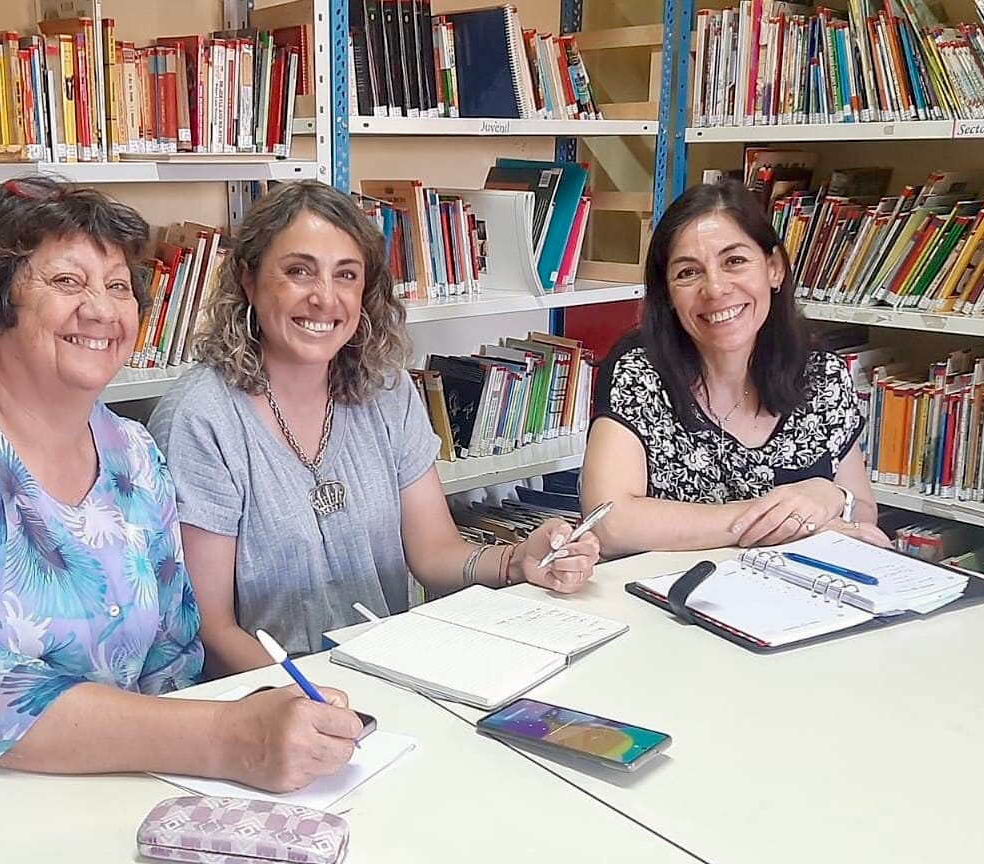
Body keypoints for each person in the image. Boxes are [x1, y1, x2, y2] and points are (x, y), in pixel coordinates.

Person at [0, 177, 361, 793]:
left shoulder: (135, 455)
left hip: (106, 787)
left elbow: (173, 655)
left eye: (118, 287)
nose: (101, 310)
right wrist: (228, 738)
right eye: (67, 282)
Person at [149, 181, 601, 677]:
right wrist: (315, 699)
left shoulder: (386, 390)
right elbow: (212, 630)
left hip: (382, 676)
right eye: (299, 271)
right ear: (248, 279)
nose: (325, 298)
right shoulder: (201, 418)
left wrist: (516, 560)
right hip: (267, 697)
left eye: (346, 275)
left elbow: (435, 554)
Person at [580, 179, 887, 555]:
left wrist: (831, 496)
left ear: (774, 269)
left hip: (790, 585)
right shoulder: (639, 371)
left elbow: (862, 511)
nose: (715, 288)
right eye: (688, 272)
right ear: (668, 294)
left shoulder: (821, 374)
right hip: (672, 587)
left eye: (735, 261)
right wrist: (773, 520)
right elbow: (610, 521)